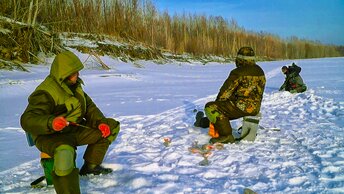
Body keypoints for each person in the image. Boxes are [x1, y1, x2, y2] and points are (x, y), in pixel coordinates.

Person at [20, 51, 120, 193]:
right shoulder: (45, 92)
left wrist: (100, 122)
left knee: (111, 127)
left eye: (78, 72)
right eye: (74, 73)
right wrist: (51, 122)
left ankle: (90, 167)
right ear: (64, 73)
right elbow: (27, 119)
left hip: (72, 129)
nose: (77, 75)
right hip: (49, 135)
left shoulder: (75, 85)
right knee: (64, 153)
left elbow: (90, 107)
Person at [194, 46, 266, 144]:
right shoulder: (260, 70)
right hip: (255, 108)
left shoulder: (238, 72)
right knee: (222, 112)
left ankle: (226, 135)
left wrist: (216, 108)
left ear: (240, 59)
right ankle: (203, 122)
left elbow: (225, 92)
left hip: (241, 107)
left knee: (212, 108)